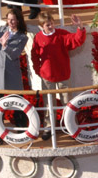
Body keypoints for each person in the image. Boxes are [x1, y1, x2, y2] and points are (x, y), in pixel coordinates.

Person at [31, 12, 86, 140]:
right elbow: (34, 55)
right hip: (47, 77)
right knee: (48, 104)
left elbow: (76, 40)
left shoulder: (61, 34)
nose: (51, 27)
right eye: (47, 25)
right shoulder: (38, 37)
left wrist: (80, 28)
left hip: (63, 75)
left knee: (67, 103)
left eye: (51, 23)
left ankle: (71, 126)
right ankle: (49, 127)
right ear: (41, 26)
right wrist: (38, 70)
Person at [0, 8, 28, 143]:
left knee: (17, 104)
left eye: (13, 19)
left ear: (19, 20)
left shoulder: (22, 37)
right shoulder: (0, 31)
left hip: (11, 73)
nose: (11, 22)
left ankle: (21, 132)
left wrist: (5, 46)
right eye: (9, 19)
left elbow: (15, 54)